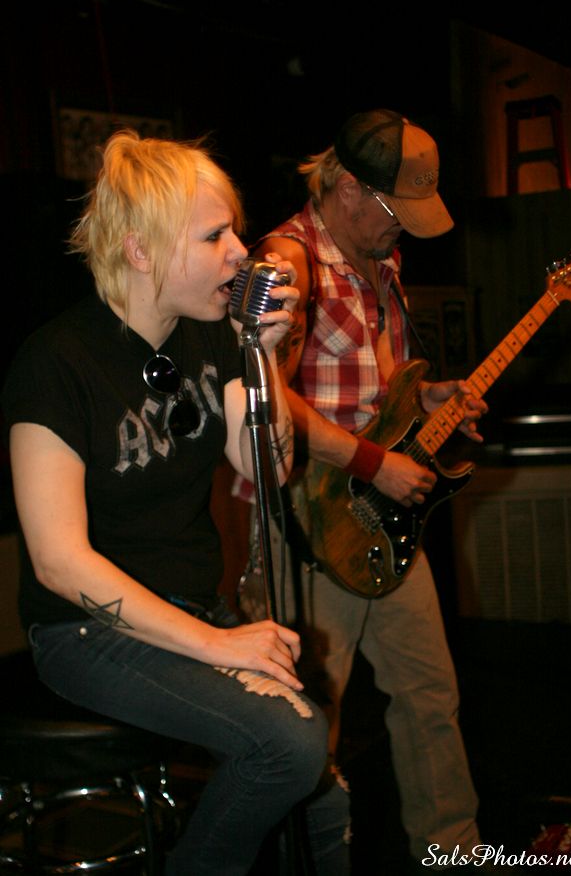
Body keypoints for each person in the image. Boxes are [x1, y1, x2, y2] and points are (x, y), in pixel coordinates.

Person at [1, 129, 350, 875]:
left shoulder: (212, 339)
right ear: (140, 251)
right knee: (291, 747)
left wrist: (262, 353)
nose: (240, 252)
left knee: (324, 797)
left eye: (234, 232)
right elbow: (59, 563)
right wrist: (220, 644)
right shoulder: (56, 363)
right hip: (86, 632)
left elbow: (269, 468)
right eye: (214, 236)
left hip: (191, 611)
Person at [237, 109, 489, 871]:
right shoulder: (287, 262)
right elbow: (266, 401)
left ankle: (452, 854)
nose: (404, 227)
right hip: (311, 522)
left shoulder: (381, 259)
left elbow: (375, 390)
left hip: (383, 516)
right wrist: (374, 463)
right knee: (310, 722)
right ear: (347, 187)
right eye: (395, 209)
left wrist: (431, 398)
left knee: (430, 697)